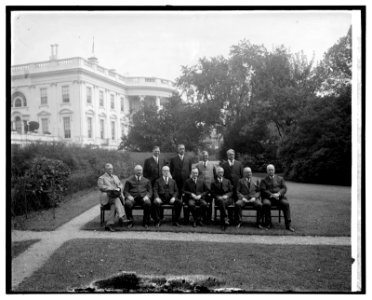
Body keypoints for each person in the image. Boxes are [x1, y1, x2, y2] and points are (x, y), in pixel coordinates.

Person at [260, 164, 295, 232]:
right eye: (269, 170)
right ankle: (268, 224)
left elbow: (284, 188)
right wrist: (272, 195)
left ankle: (288, 225)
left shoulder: (280, 178)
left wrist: (278, 194)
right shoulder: (263, 180)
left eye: (272, 170)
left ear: (274, 170)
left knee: (286, 204)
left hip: (279, 198)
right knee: (266, 204)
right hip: (268, 198)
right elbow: (263, 190)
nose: (271, 171)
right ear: (267, 171)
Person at [97, 163, 125, 232]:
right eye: (109, 169)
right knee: (116, 199)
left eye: (111, 169)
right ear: (105, 169)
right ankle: (121, 216)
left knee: (114, 206)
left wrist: (119, 188)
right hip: (107, 198)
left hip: (115, 197)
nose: (111, 170)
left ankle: (109, 225)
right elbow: (101, 187)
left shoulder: (115, 177)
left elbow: (121, 184)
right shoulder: (101, 178)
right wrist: (112, 189)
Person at [196, 151, 215, 223]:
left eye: (206, 156)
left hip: (210, 188)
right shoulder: (198, 165)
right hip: (201, 188)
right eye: (204, 156)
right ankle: (201, 218)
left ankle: (209, 219)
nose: (205, 157)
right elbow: (196, 176)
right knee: (202, 203)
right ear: (202, 157)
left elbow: (215, 176)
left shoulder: (212, 165)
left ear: (208, 156)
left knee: (209, 203)